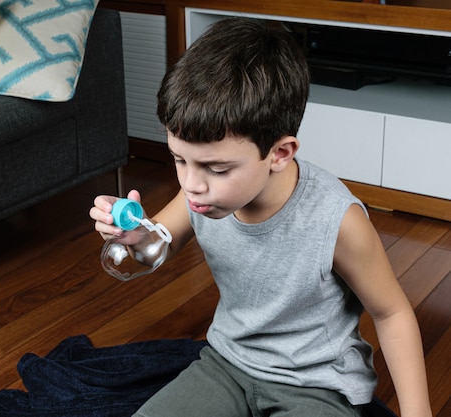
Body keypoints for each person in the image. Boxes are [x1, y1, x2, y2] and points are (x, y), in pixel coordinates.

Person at [89, 17, 431, 417]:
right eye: (179, 159)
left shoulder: (337, 221)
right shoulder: (198, 193)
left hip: (315, 384)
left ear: (280, 154)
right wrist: (133, 238)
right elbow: (154, 245)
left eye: (216, 168)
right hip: (227, 365)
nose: (192, 183)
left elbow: (391, 313)